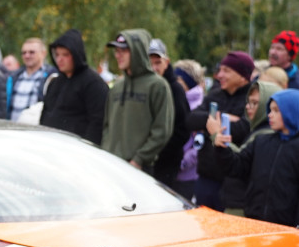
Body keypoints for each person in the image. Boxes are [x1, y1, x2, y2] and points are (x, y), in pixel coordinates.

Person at [213, 88, 299, 228]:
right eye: (270, 110)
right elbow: (237, 167)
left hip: (286, 227)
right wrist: (222, 148)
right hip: (255, 221)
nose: (270, 115)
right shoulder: (261, 141)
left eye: (276, 111)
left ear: (292, 112)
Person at [186, 51, 254, 210]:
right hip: (206, 178)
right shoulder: (216, 95)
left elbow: (244, 129)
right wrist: (224, 118)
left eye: (226, 71)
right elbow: (191, 119)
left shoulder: (251, 98)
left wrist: (211, 124)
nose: (219, 75)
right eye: (220, 69)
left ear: (243, 76)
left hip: (234, 184)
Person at [102, 29, 174, 172]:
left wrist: (139, 159)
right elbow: (106, 126)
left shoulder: (158, 86)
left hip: (138, 169)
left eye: (124, 50)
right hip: (110, 166)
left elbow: (162, 130)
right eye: (116, 51)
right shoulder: (116, 87)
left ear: (138, 51)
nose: (118, 55)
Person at [218, 80, 281, 216]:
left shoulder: (265, 135)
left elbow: (240, 161)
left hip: (243, 207)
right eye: (248, 102)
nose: (248, 107)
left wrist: (217, 138)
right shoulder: (257, 130)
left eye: (255, 103)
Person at [39, 29, 108, 145]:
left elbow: (97, 122)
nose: (59, 59)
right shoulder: (55, 81)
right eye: (57, 54)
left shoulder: (93, 83)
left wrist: (86, 148)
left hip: (76, 151)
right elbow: (45, 115)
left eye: (65, 55)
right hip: (50, 145)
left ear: (76, 54)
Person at [147, 39, 191, 193]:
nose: (154, 68)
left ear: (167, 62)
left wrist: (157, 150)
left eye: (158, 62)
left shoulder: (175, 90)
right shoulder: (145, 87)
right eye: (149, 62)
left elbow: (183, 129)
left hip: (165, 163)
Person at [8, 38, 53, 121]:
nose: (27, 56)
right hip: (12, 129)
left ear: (43, 54)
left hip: (36, 131)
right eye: (24, 53)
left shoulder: (51, 77)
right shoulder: (14, 77)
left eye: (31, 52)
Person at [269, 30, 299, 96]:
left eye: (279, 49)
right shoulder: (263, 74)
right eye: (272, 47)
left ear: (289, 56)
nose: (273, 52)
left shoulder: (297, 86)